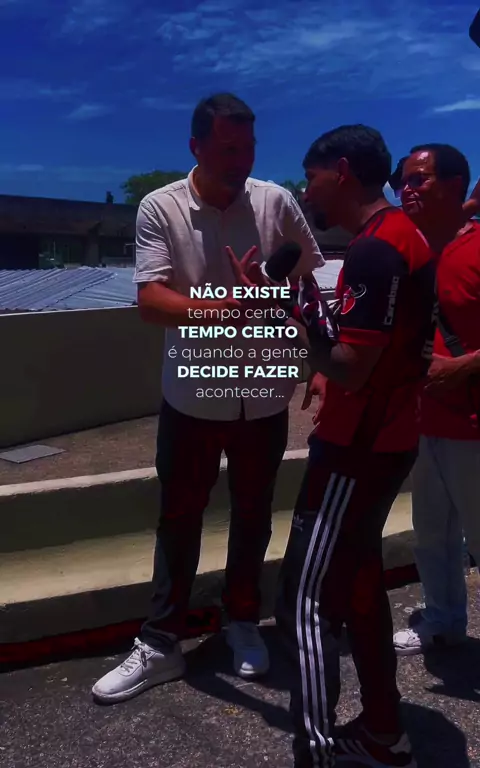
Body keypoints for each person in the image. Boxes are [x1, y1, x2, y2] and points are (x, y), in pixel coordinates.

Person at [92, 92, 324, 704]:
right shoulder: (160, 206)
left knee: (253, 514)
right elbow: (151, 300)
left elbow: (308, 281)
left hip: (264, 395)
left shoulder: (275, 202)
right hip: (192, 394)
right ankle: (161, 642)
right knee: (179, 517)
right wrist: (226, 308)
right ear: (196, 147)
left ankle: (242, 620)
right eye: (228, 149)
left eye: (249, 148)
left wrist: (316, 359)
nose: (241, 160)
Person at [274, 125, 437, 768]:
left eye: (311, 177)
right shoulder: (396, 237)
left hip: (356, 449)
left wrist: (292, 315)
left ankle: (317, 752)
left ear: (340, 172)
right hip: (381, 439)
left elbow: (349, 366)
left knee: (307, 600)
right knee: (360, 585)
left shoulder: (375, 251)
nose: (305, 190)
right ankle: (384, 733)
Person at [389, 144, 480, 655]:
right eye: (401, 182)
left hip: (473, 426)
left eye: (418, 180)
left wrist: (465, 365)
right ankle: (442, 619)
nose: (405, 190)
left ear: (455, 185)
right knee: (431, 533)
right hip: (423, 422)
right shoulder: (412, 255)